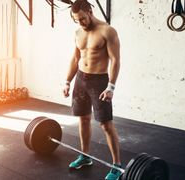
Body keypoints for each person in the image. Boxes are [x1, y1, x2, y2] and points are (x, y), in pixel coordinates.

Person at [62, 0, 121, 179]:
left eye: (82, 19)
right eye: (76, 20)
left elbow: (115, 60)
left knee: (105, 124)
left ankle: (117, 165)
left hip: (99, 82)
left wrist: (111, 86)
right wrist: (67, 81)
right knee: (84, 120)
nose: (80, 23)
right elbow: (75, 58)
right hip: (81, 79)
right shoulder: (78, 32)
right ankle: (85, 157)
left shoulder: (107, 31)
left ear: (90, 11)